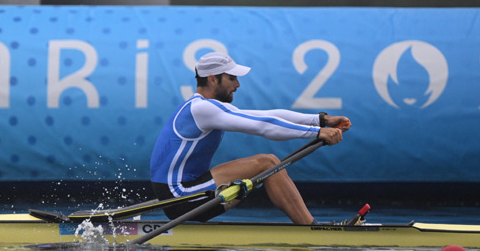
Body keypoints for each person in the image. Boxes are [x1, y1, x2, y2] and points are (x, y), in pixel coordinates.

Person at [149, 51, 351, 224]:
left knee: (269, 163)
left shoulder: (209, 107)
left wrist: (321, 120)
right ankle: (313, 229)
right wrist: (316, 133)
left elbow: (268, 115)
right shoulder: (202, 108)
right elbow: (264, 126)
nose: (237, 84)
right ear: (212, 79)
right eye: (232, 78)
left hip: (183, 191)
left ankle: (310, 226)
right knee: (268, 163)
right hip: (179, 197)